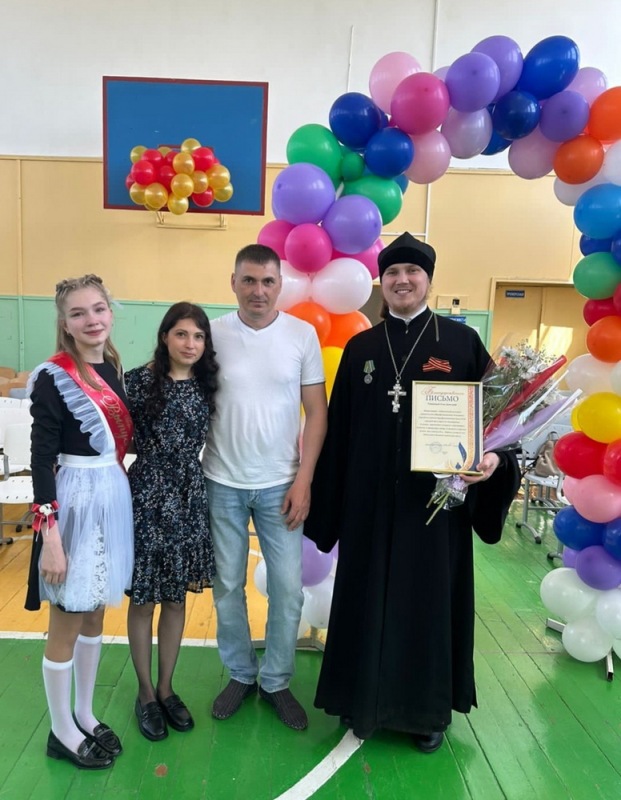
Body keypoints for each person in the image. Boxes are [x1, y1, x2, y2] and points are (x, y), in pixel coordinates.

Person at [304, 232, 520, 752]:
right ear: (382, 282)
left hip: (435, 510)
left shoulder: (461, 343)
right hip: (369, 505)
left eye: (412, 272)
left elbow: (500, 424)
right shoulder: (361, 348)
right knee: (365, 596)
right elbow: (338, 431)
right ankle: (360, 700)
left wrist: (493, 461)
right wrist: (325, 503)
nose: (402, 281)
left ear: (428, 280)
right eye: (393, 273)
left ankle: (426, 712)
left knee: (427, 604)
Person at [202, 243, 327, 731]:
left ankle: (275, 680)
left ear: (280, 285)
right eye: (249, 280)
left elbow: (316, 412)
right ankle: (240, 673)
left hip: (281, 485)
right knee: (227, 587)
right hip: (221, 482)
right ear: (233, 282)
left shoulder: (301, 335)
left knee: (288, 590)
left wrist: (304, 479)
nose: (258, 290)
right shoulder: (211, 334)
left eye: (268, 281)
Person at [26, 274, 134, 769]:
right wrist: (50, 537)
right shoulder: (53, 376)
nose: (91, 320)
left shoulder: (112, 367)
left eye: (98, 309)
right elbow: (41, 458)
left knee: (94, 612)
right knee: (68, 617)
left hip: (110, 494)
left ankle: (85, 712)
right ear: (65, 324)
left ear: (110, 312)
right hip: (74, 501)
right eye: (78, 313)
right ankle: (60, 729)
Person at [125, 302, 218, 741]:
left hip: (188, 495)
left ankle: (166, 688)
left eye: (198, 336)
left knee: (176, 599)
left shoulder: (208, 383)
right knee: (144, 599)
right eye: (181, 334)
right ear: (165, 336)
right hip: (147, 494)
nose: (190, 343)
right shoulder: (137, 382)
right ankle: (145, 693)